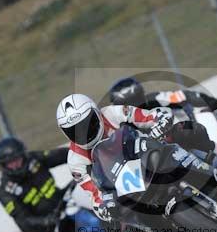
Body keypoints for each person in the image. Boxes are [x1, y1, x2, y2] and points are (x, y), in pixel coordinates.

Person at [0, 137, 107, 232]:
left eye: (18, 159)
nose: (16, 165)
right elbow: (23, 222)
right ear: (3, 165)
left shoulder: (34, 160)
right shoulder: (6, 192)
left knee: (94, 194)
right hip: (48, 226)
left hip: (64, 202)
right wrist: (45, 221)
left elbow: (61, 155)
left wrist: (83, 157)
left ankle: (120, 223)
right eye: (11, 163)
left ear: (23, 155)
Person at [56, 93, 174, 221]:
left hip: (147, 156)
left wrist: (160, 123)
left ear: (96, 113)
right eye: (75, 131)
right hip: (125, 190)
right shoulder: (75, 160)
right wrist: (104, 208)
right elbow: (95, 195)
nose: (84, 133)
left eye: (88, 124)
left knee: (186, 131)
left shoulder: (113, 113)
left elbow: (148, 117)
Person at [108, 78, 217, 177]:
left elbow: (183, 96)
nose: (138, 110)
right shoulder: (122, 129)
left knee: (204, 130)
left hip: (181, 138)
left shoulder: (155, 98)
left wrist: (209, 101)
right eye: (131, 106)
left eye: (139, 102)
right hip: (158, 159)